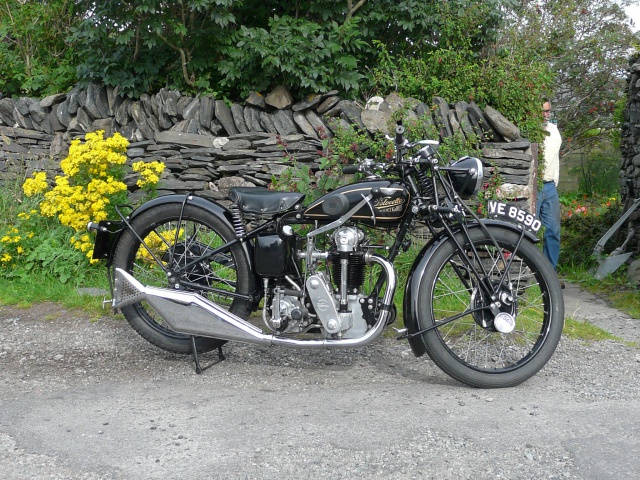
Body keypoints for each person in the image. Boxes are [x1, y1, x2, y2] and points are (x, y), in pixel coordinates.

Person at [536, 99, 563, 273]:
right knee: (528, 229)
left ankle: (549, 273)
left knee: (553, 231)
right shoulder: (531, 131)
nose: (546, 115)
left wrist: (555, 181)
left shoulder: (554, 131)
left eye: (548, 111)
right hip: (535, 185)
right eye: (543, 111)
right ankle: (527, 271)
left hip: (550, 186)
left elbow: (555, 159)